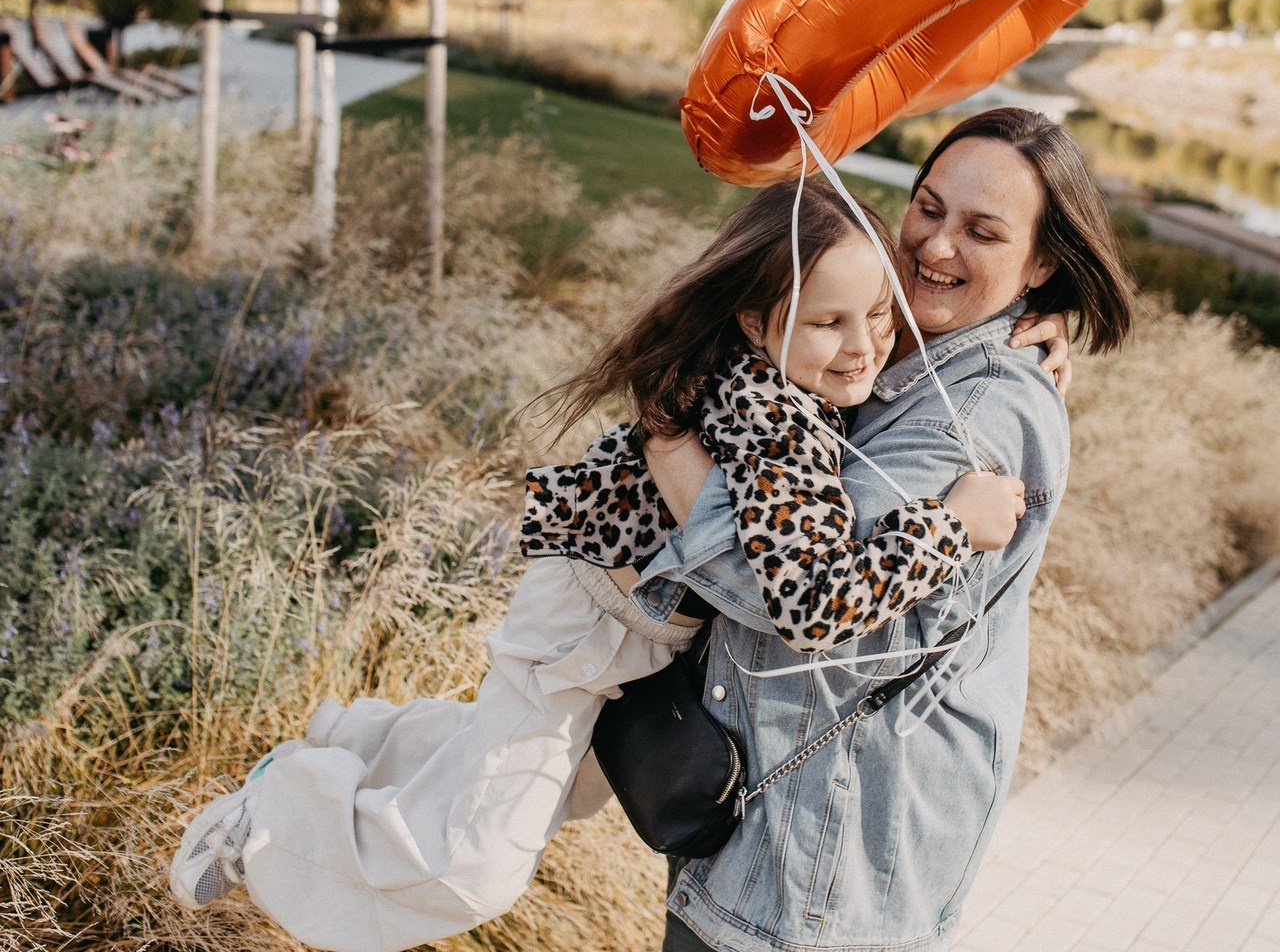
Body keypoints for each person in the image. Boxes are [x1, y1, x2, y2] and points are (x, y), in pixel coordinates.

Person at [168, 182, 1028, 952]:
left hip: (615, 622)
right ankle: (274, 814)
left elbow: (903, 359)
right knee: (474, 866)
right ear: (756, 324)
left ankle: (356, 739)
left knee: (541, 786)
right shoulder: (778, 424)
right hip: (589, 622)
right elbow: (809, 602)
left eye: (879, 314)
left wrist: (1035, 324)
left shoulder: (791, 379)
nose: (865, 347)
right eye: (828, 322)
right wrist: (952, 525)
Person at [638, 106, 1135, 952]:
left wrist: (665, 436)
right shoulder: (912, 349)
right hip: (794, 850)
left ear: (1044, 259)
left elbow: (786, 585)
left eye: (982, 231)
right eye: (929, 207)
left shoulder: (968, 414)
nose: (935, 246)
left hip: (810, 874)